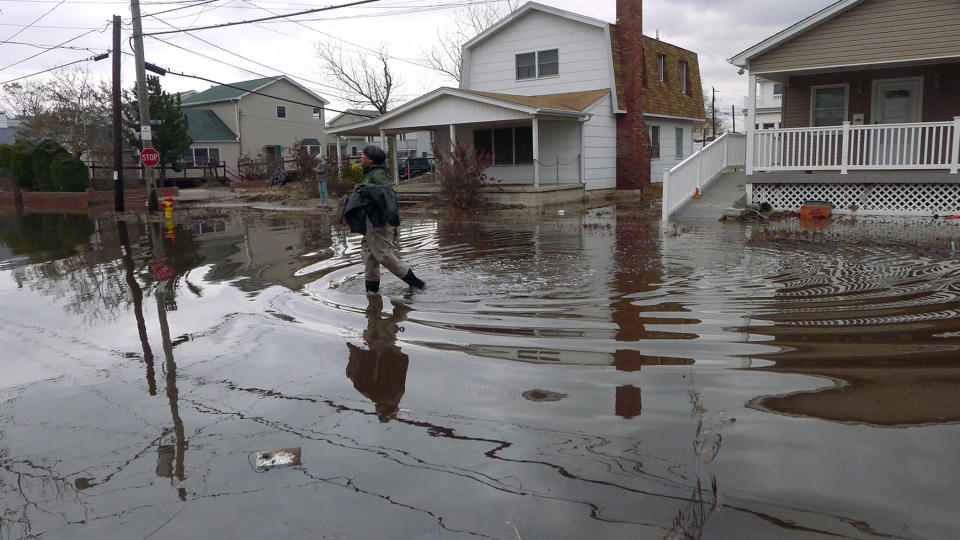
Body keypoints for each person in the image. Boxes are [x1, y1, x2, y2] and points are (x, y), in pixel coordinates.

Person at [341, 145, 426, 293]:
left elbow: (387, 197)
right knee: (369, 257)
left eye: (363, 155)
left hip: (378, 223)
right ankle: (372, 295)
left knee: (383, 255)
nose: (360, 157)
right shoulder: (370, 173)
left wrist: (390, 223)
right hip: (371, 222)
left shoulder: (378, 175)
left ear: (371, 160)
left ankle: (418, 284)